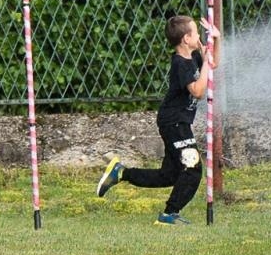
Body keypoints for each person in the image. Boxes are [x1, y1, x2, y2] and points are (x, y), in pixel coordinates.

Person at [94, 14, 219, 225]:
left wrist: (216, 39)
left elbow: (212, 64)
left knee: (169, 175)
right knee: (192, 168)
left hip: (177, 122)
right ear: (186, 39)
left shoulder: (193, 58)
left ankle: (121, 172)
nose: (200, 35)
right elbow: (198, 91)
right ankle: (169, 214)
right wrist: (205, 59)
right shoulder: (181, 63)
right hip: (174, 123)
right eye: (196, 32)